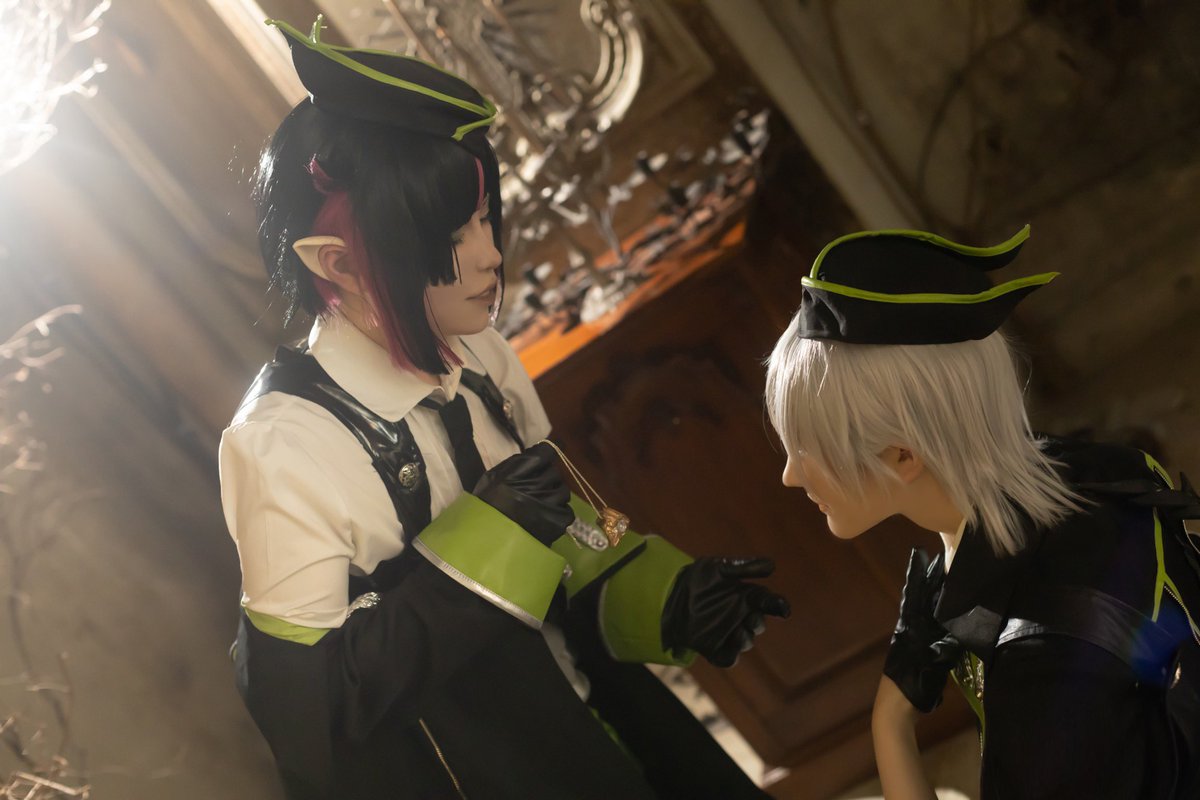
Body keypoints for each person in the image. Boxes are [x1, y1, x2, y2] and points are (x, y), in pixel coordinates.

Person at [219, 17, 790, 800]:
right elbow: (313, 716)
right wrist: (487, 539)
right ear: (340, 264)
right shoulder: (281, 445)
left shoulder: (480, 351)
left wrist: (672, 599)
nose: (490, 255)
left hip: (620, 730)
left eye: (483, 217)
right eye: (448, 238)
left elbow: (575, 538)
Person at [764, 226, 1200, 799]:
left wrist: (890, 723)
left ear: (903, 455)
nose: (790, 475)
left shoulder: (1035, 671)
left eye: (808, 449)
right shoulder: (1096, 471)